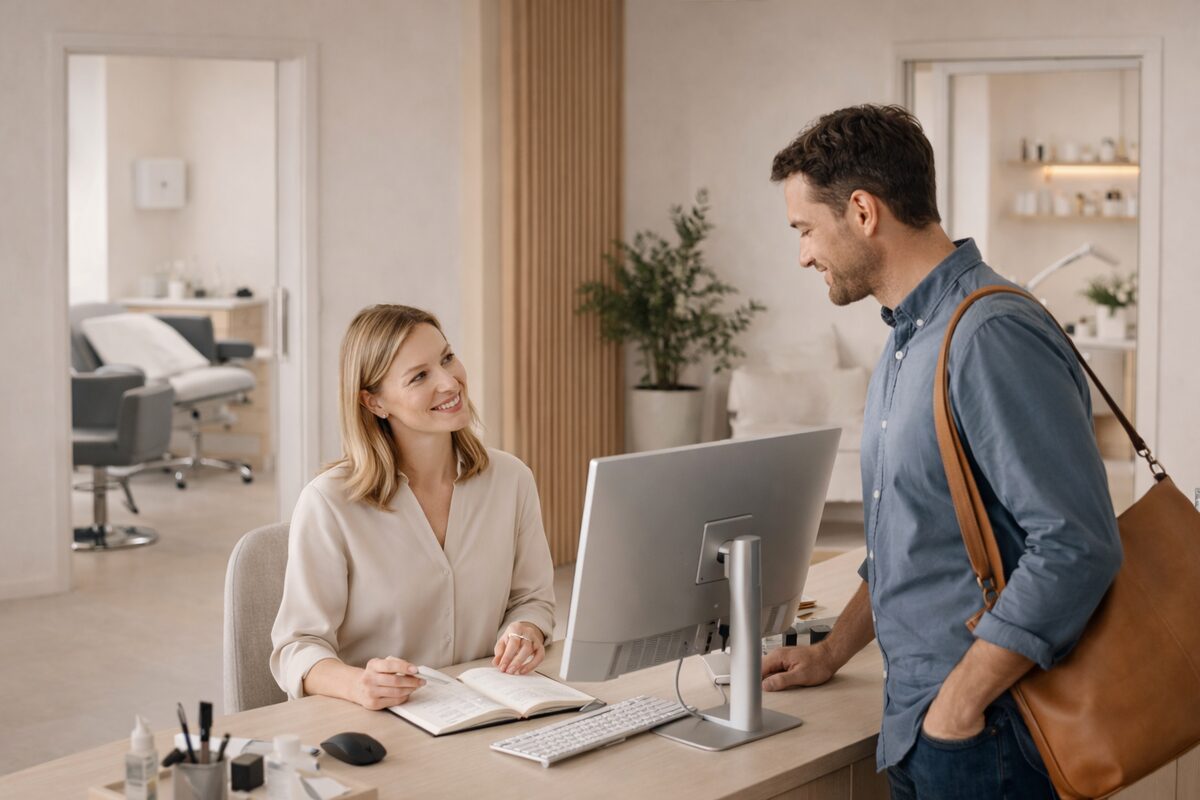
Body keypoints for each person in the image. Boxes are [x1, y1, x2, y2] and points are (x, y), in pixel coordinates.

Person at [761, 105, 1122, 799]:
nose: (803, 253)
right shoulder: (908, 337)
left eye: (805, 229)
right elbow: (915, 534)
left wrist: (959, 704)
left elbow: (1078, 545)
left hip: (991, 735)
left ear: (863, 211)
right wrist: (834, 649)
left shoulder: (988, 333)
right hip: (931, 724)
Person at [270, 304, 556, 711]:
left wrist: (526, 629)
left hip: (490, 712)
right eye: (420, 376)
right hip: (380, 726)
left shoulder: (511, 480)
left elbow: (533, 598)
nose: (449, 381)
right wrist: (358, 684)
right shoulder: (329, 503)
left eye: (447, 358)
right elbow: (297, 647)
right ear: (374, 403)